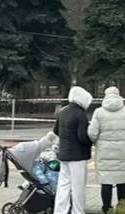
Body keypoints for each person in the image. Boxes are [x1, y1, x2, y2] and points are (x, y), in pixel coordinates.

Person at [88, 86, 125, 214]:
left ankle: (106, 208)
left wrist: (97, 143)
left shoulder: (98, 112)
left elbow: (91, 133)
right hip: (123, 152)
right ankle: (123, 207)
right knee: (122, 181)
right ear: (119, 95)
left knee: (106, 182)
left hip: (104, 152)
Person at [53, 85, 93, 214]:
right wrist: (90, 142)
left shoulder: (62, 112)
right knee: (78, 187)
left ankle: (60, 210)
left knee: (63, 185)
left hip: (64, 154)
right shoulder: (80, 114)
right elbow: (82, 137)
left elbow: (55, 130)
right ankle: (78, 211)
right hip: (78, 156)